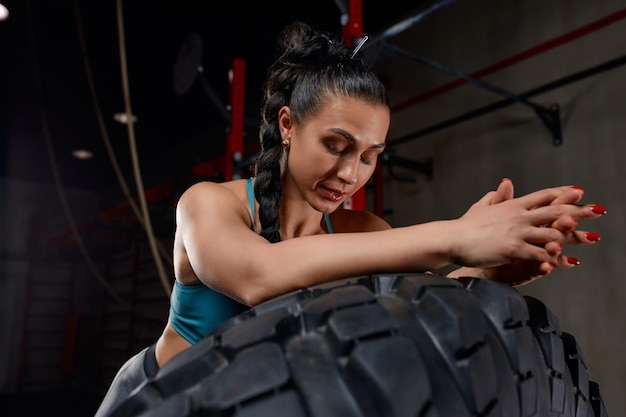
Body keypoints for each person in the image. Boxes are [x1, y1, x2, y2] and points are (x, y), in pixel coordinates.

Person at [94, 21, 606, 416]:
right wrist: (458, 236)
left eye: (369, 155)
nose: (349, 173)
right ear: (288, 125)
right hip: (156, 400)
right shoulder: (208, 203)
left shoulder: (363, 230)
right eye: (335, 145)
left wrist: (487, 270)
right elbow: (260, 277)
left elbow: (412, 321)